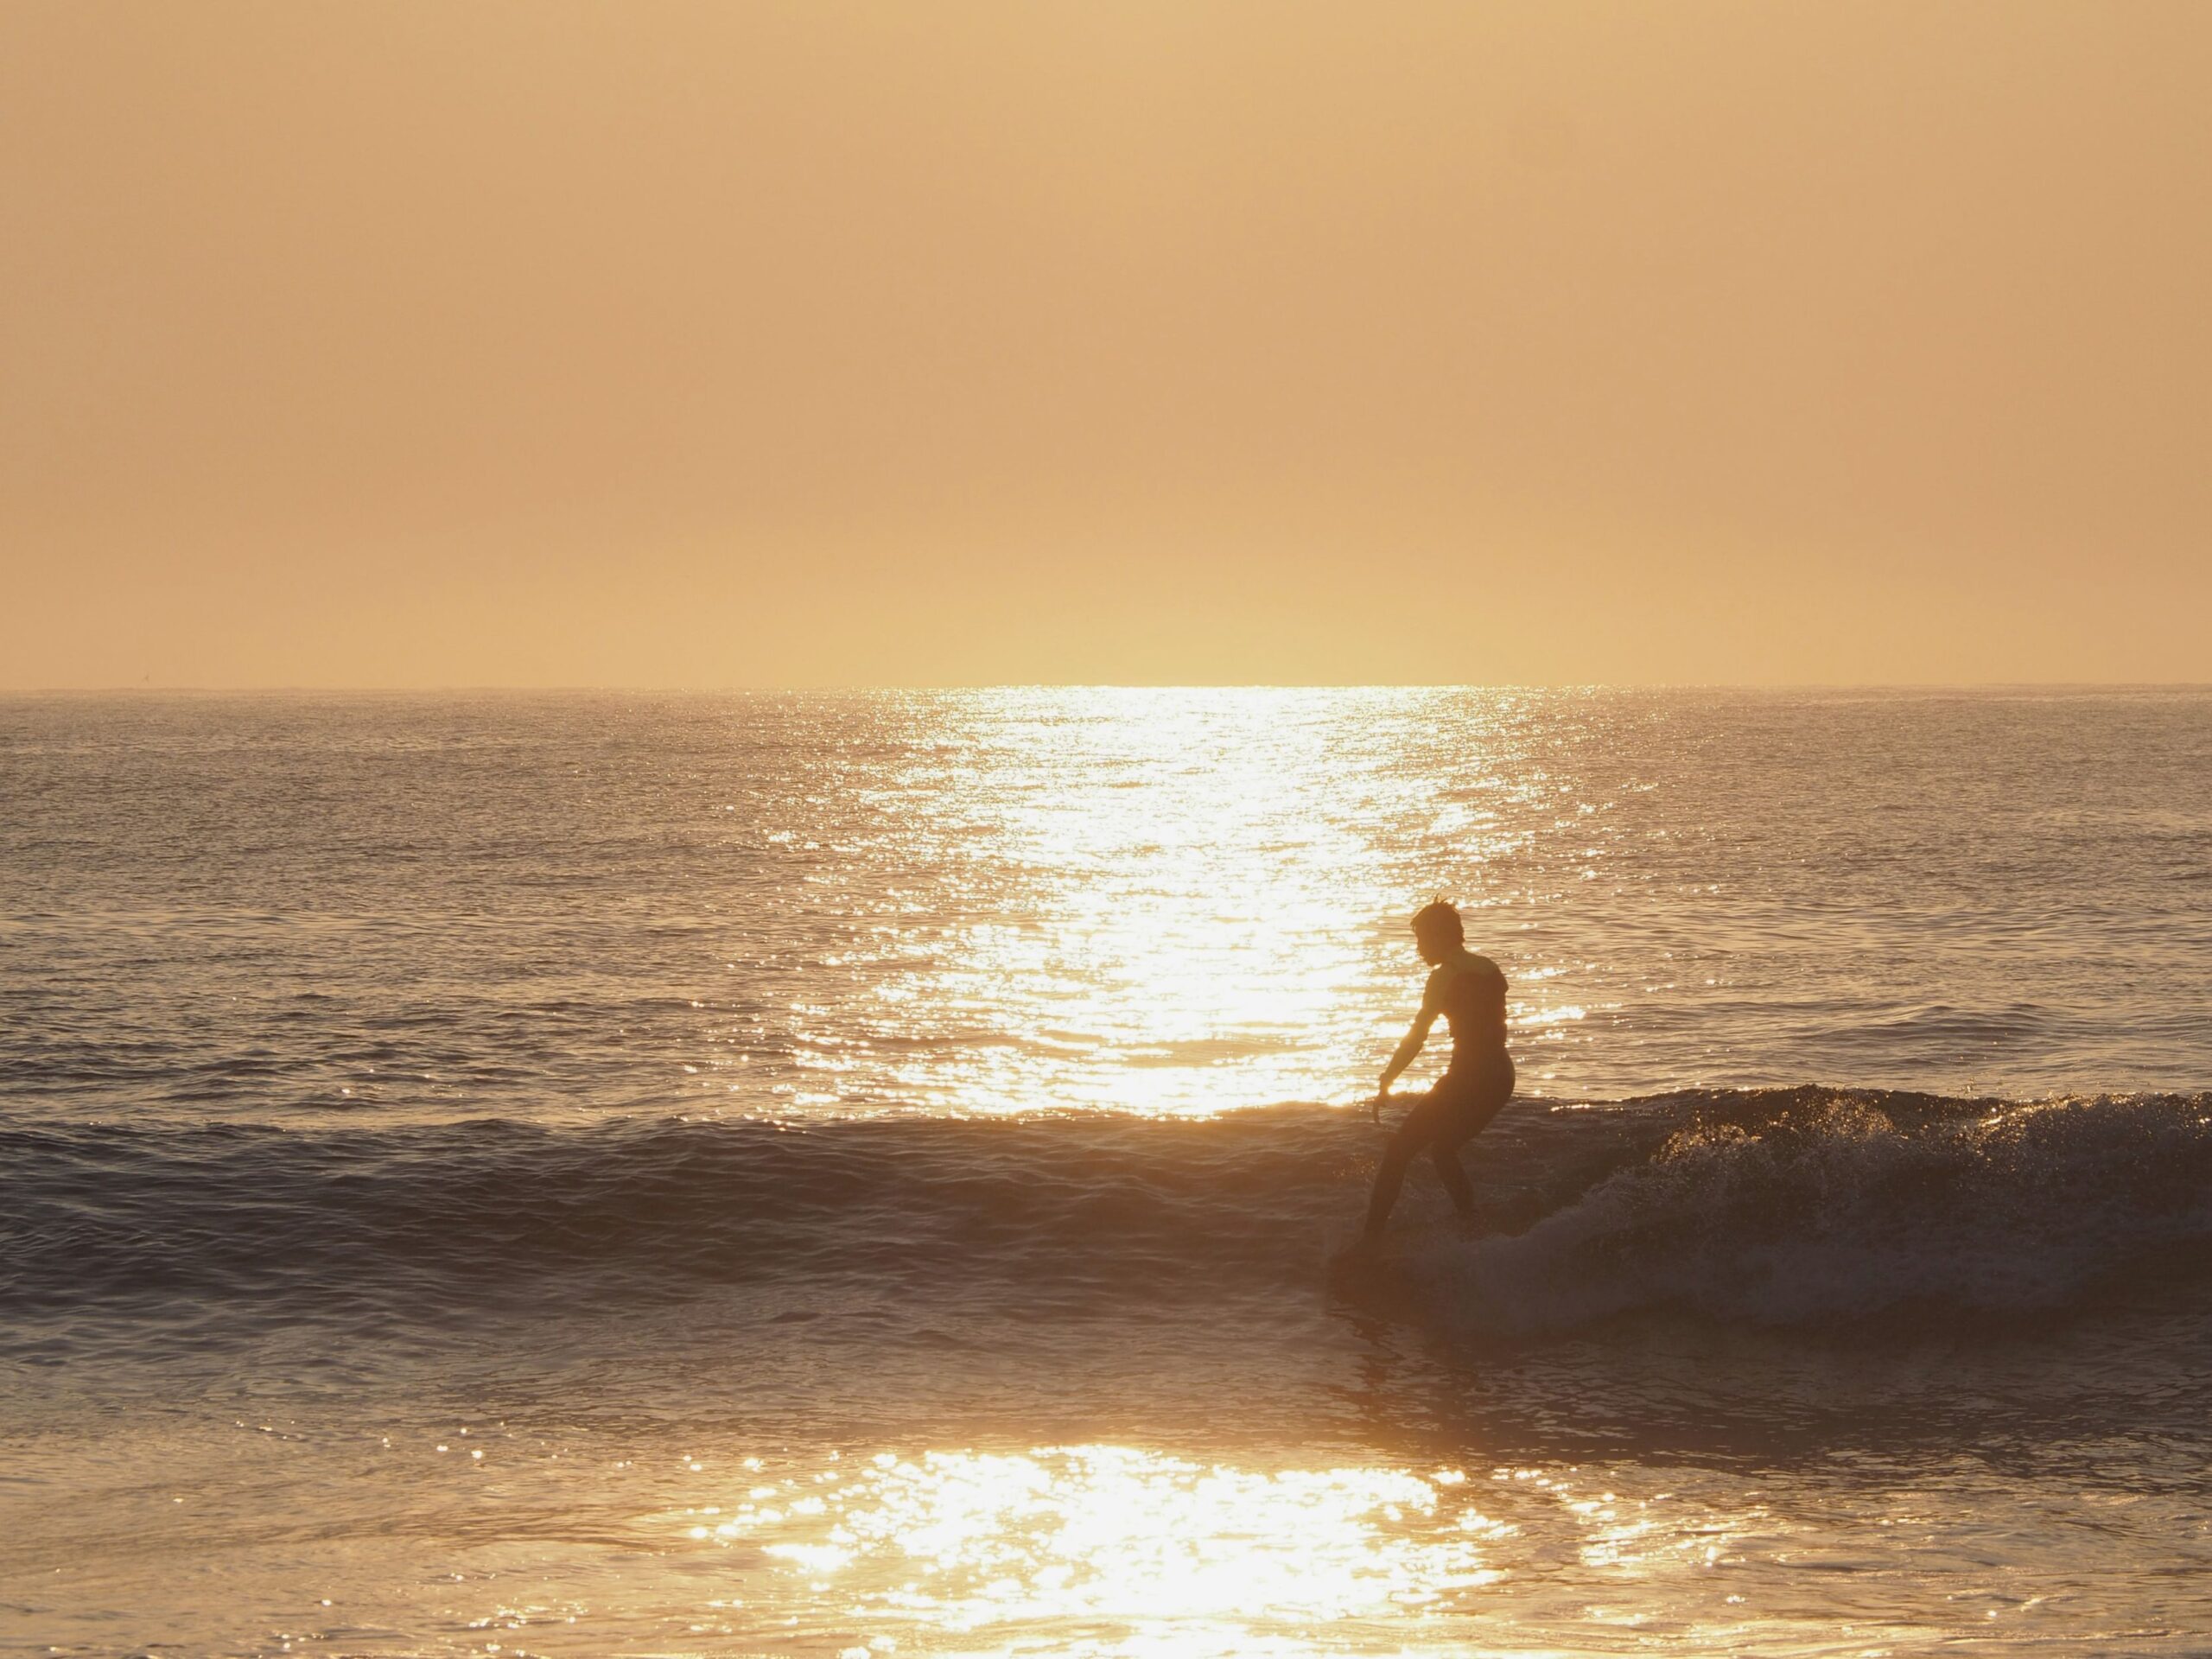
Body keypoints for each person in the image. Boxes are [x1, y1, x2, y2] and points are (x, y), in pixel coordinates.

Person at [1357, 899, 1515, 1244]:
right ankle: (1471, 1224)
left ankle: (1369, 1243)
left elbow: (1417, 1037)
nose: (1418, 950)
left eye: (1422, 940)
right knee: (1443, 1150)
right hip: (1501, 1076)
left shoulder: (1443, 977)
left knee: (1398, 1150)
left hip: (1469, 1076)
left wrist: (1388, 1078)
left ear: (1439, 936)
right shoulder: (1490, 968)